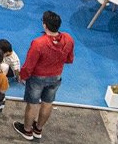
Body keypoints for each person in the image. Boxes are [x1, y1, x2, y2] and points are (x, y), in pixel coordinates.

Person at [15, 10, 74, 141]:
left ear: (45, 25)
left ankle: (27, 130)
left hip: (37, 78)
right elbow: (70, 59)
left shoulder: (38, 43)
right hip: (56, 77)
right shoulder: (68, 39)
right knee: (48, 103)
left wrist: (22, 76)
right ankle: (38, 129)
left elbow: (29, 65)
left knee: (33, 104)